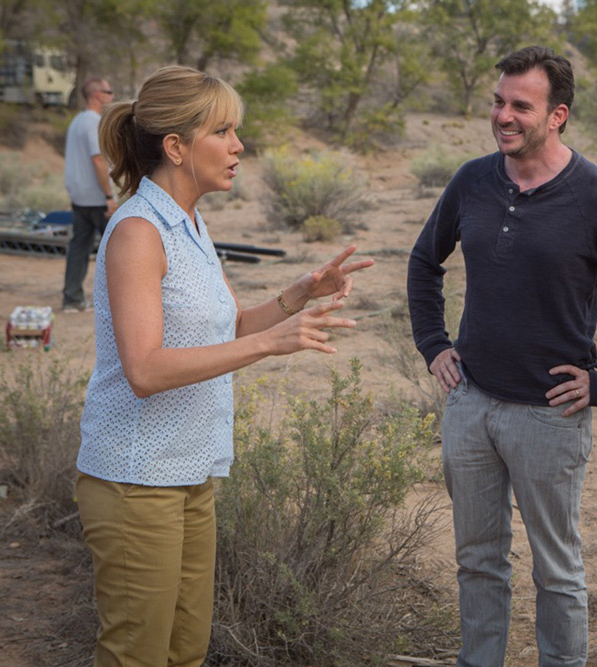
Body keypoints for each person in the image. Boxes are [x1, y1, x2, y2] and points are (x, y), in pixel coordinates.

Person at [74, 65, 374, 667]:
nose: (239, 147)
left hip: (189, 473)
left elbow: (231, 328)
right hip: (136, 480)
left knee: (186, 651)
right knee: (137, 655)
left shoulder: (188, 224)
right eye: (224, 131)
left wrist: (299, 294)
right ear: (177, 147)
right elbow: (146, 370)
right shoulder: (137, 231)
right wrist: (273, 344)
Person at [407, 46, 597, 667]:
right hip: (472, 404)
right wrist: (434, 345)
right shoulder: (472, 179)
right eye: (498, 101)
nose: (503, 116)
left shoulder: (596, 196)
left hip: (548, 415)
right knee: (477, 559)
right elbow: (423, 262)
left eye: (521, 105)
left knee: (557, 568)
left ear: (558, 114)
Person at [62, 77, 118, 312]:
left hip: (78, 197)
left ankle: (72, 300)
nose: (112, 97)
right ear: (98, 95)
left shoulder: (77, 121)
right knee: (118, 248)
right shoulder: (94, 122)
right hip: (97, 198)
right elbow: (98, 160)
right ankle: (119, 304)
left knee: (79, 248)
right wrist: (109, 196)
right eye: (109, 91)